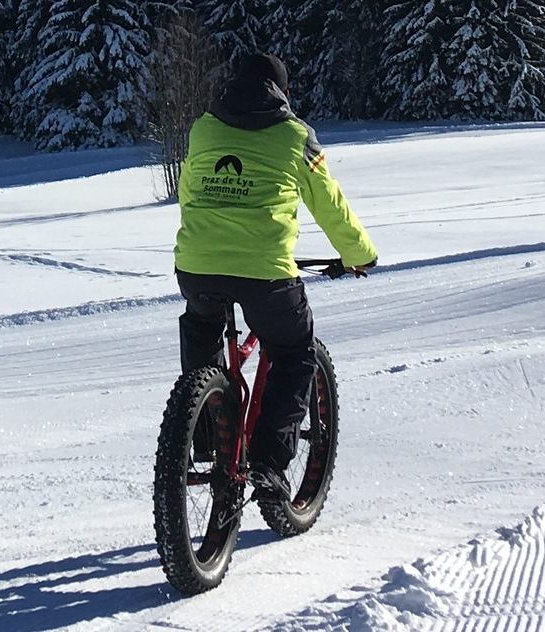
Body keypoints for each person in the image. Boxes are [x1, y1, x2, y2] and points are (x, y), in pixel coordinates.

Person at [173, 53, 378, 501]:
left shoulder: (203, 129)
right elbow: (329, 203)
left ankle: (205, 432)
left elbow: (189, 192)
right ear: (282, 92)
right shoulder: (296, 136)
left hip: (196, 262)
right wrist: (358, 254)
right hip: (265, 271)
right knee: (294, 351)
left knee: (202, 324)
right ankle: (269, 464)